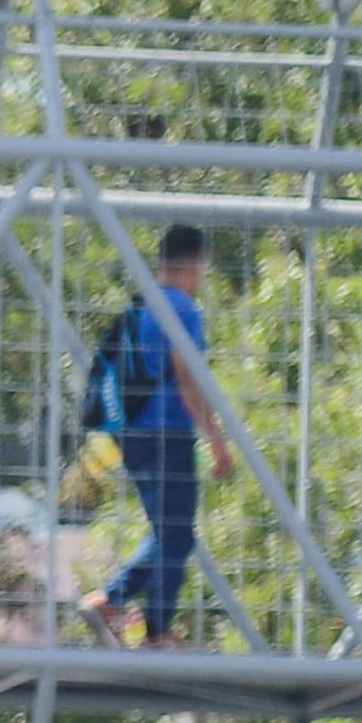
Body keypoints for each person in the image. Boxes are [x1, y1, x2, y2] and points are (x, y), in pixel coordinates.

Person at [83, 226, 224, 650]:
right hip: (168, 432)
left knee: (172, 533)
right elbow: (187, 377)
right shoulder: (183, 309)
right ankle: (152, 628)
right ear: (196, 264)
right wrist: (216, 439)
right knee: (176, 533)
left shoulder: (143, 306)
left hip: (133, 432)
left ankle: (116, 605)